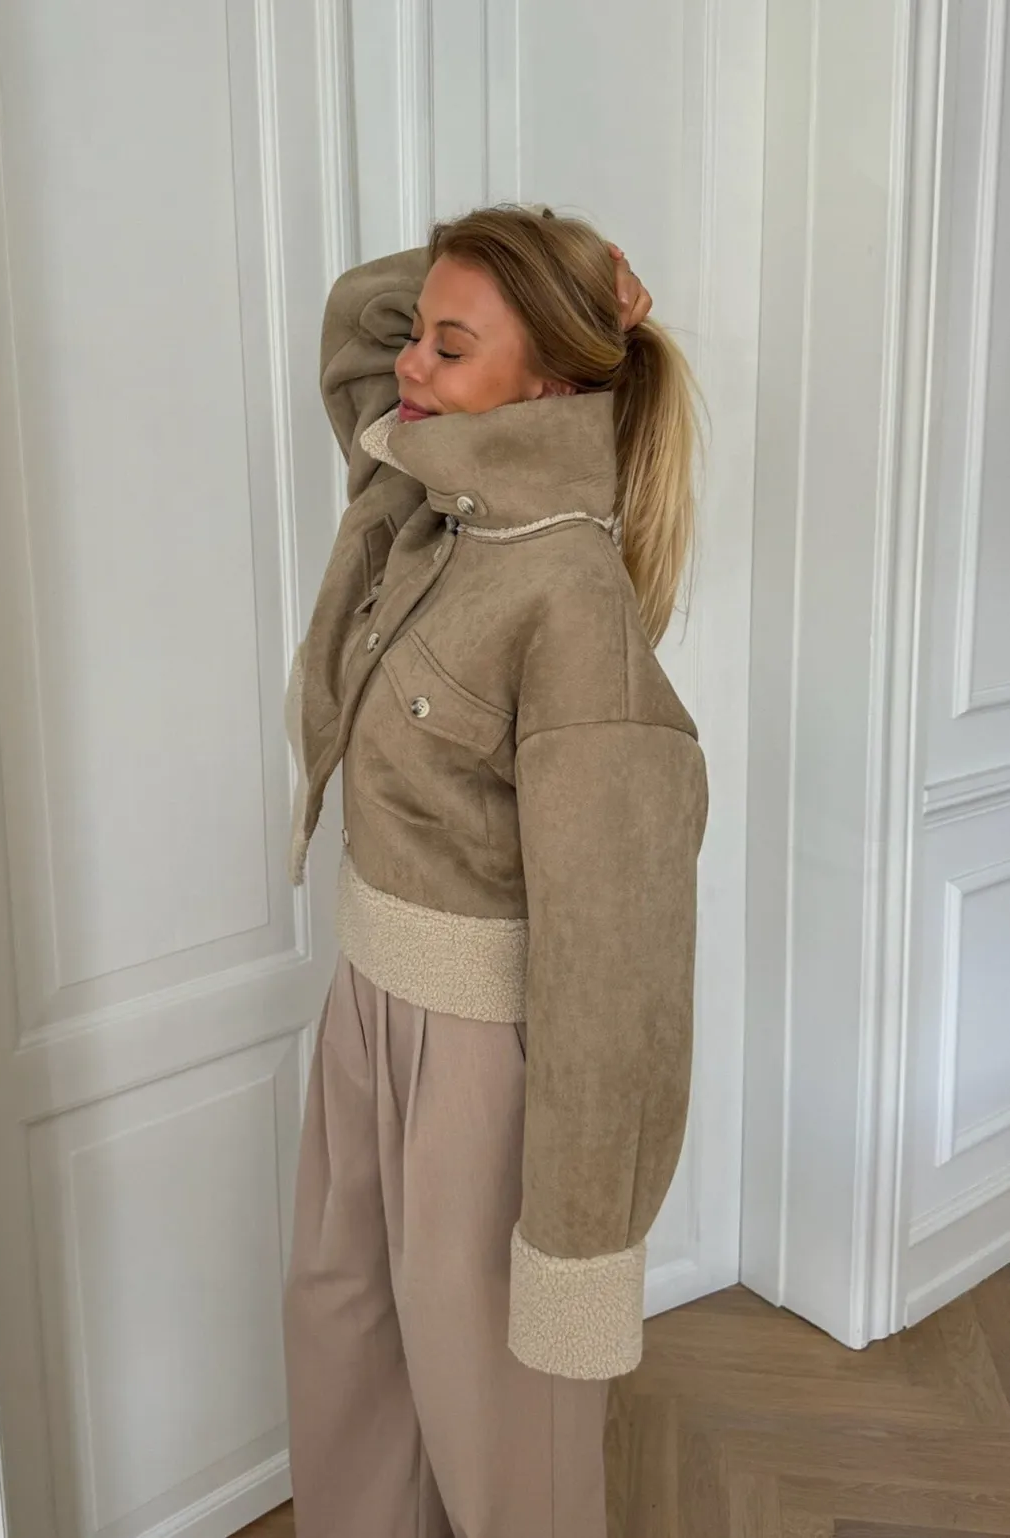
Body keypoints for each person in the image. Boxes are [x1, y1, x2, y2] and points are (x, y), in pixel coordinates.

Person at [281, 204, 708, 1538]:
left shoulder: (570, 603)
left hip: (480, 1062)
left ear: (550, 387)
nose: (409, 362)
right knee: (350, 1357)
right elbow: (357, 323)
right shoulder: (422, 501)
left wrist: (579, 1245)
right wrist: (529, 286)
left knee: (502, 1433)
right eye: (423, 334)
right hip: (367, 1008)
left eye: (452, 346)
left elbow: (619, 969)